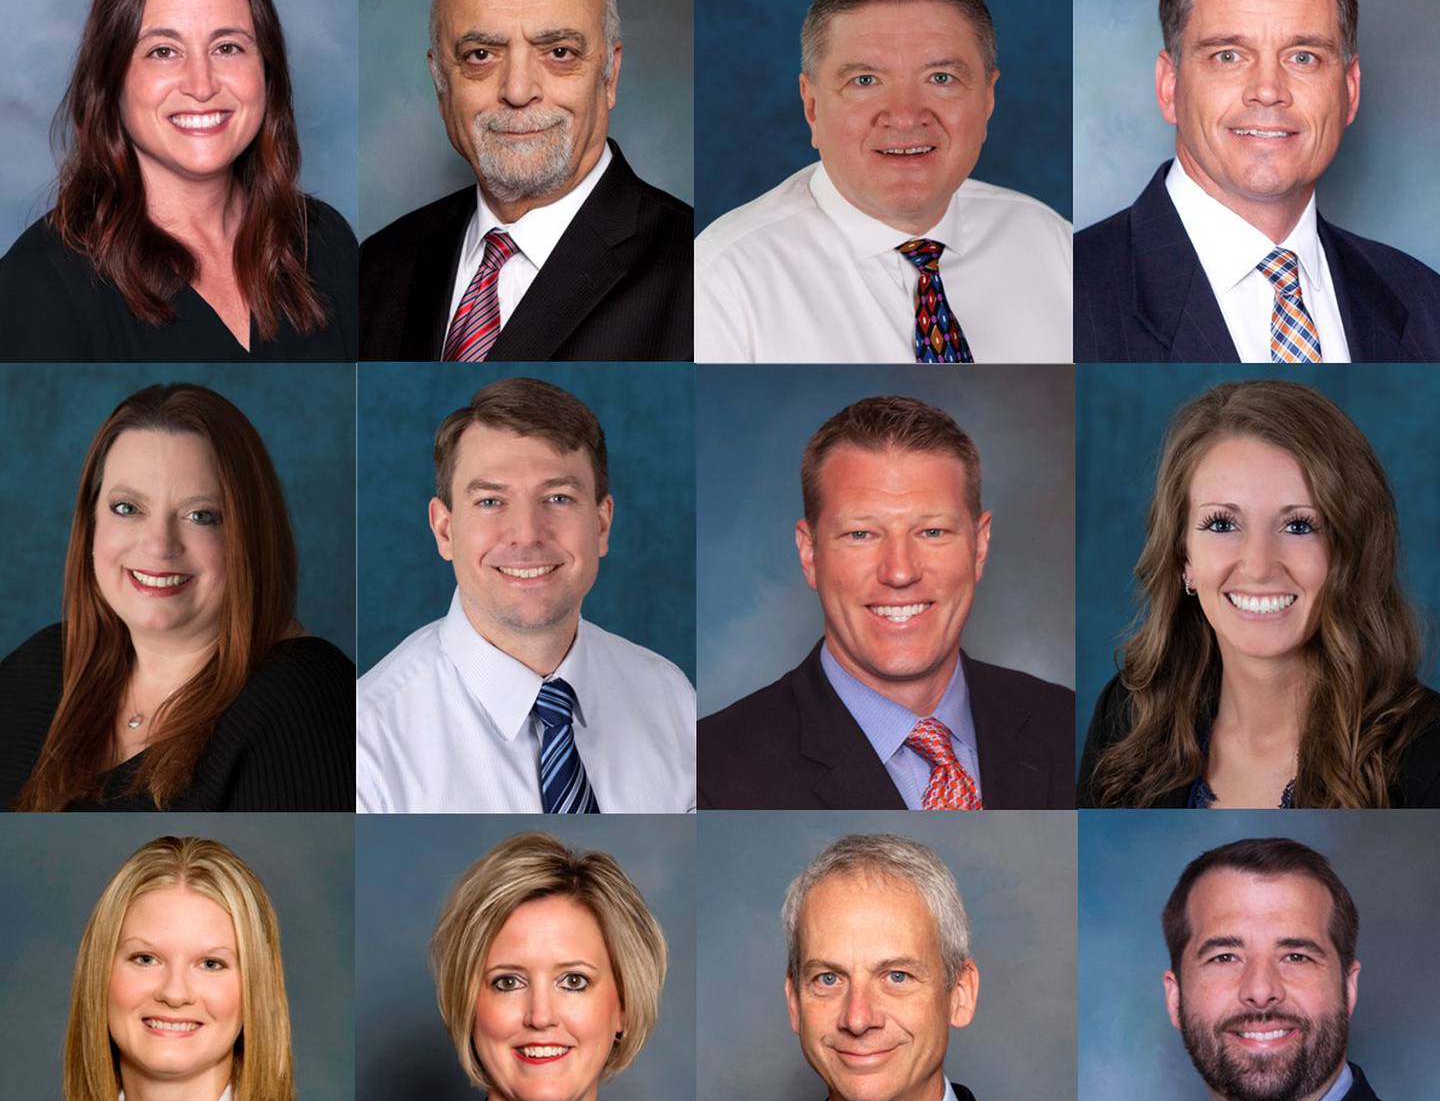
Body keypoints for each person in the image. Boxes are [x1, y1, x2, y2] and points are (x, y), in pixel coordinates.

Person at [694, 0, 1072, 364]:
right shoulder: (722, 283)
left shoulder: (1053, 245)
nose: (906, 114)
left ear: (988, 97)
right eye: (866, 81)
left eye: (941, 78)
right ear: (812, 106)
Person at [1075, 0, 1440, 362]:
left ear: (1350, 90)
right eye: (1228, 56)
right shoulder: (1066, 292)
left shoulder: (1424, 302)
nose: (1268, 89)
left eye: (1303, 57)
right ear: (1170, 86)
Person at [703, 834, 1076, 1101]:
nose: (858, 1018)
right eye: (828, 978)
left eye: (896, 976)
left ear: (960, 993)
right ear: (794, 1001)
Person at [0, 0, 358, 362]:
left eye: (227, 47)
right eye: (163, 51)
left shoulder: (325, 242)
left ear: (267, 69)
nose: (201, 84)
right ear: (111, 79)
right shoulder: (38, 283)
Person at [1078, 381, 1440, 810]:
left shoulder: (1428, 756)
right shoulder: (1127, 716)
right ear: (1183, 558)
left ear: (1351, 551)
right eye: (1222, 524)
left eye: (1299, 526)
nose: (1259, 566)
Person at [698, 396, 1073, 811]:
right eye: (861, 534)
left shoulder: (1067, 726)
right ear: (809, 553)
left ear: (979, 546)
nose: (899, 572)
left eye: (932, 532)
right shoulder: (713, 771)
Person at [1080, 838, 1440, 1101]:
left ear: (1348, 986)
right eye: (1226, 956)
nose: (1261, 991)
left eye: (1296, 956)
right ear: (1175, 999)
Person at [0, 383, 355, 812]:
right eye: (127, 508)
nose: (158, 545)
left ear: (249, 536)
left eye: (200, 515)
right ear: (90, 524)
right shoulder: (38, 668)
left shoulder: (307, 697)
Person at [0, 835, 353, 1101]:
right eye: (145, 958)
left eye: (211, 964)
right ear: (101, 974)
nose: (174, 992)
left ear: (254, 989)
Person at [356, 378, 694, 813]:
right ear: (444, 530)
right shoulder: (368, 742)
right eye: (491, 502)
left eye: (557, 497)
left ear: (602, 524)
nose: (527, 534)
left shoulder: (671, 697)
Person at [356, 832, 696, 1101]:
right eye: (508, 982)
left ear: (623, 1007)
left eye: (573, 981)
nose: (540, 1015)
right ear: (468, 1007)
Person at [359, 0, 691, 360]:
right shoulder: (378, 264)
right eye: (480, 55)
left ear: (610, 75)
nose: (517, 90)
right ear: (440, 81)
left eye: (559, 52)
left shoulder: (695, 269)